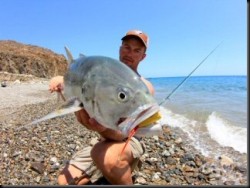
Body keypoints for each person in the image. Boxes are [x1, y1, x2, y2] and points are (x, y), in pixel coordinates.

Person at [49, 30, 155, 185]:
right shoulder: (103, 76)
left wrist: (102, 129)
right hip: (103, 139)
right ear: (120, 49)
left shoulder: (144, 87)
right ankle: (105, 171)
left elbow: (122, 134)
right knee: (64, 181)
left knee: (107, 159)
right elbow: (79, 93)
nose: (130, 53)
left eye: (137, 50)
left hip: (129, 141)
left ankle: (118, 168)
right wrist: (60, 81)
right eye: (126, 47)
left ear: (143, 56)